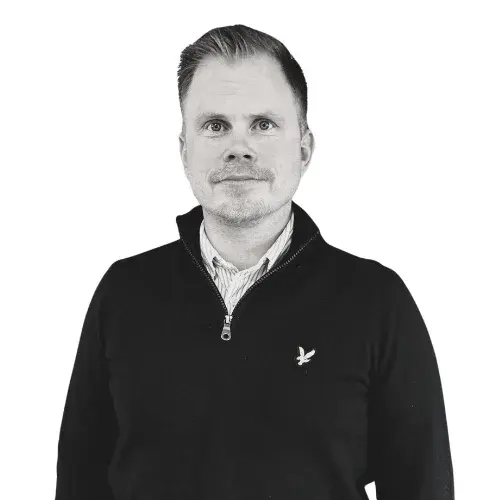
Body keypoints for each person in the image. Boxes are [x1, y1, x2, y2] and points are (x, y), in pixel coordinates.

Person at [55, 24, 455, 500]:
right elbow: (78, 482)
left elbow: (421, 486)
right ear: (184, 151)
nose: (238, 147)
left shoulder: (376, 301)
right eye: (215, 125)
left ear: (304, 149)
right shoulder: (124, 292)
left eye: (263, 124)